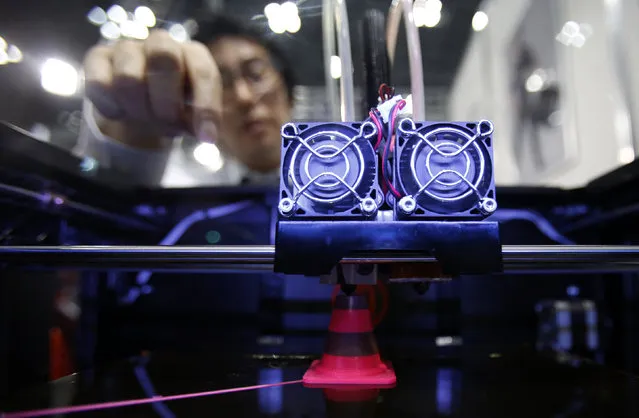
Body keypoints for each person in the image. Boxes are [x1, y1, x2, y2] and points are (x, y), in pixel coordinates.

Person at [76, 15, 296, 187]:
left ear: (287, 89)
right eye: (221, 84)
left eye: (256, 74)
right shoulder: (192, 200)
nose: (244, 97)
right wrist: (131, 139)